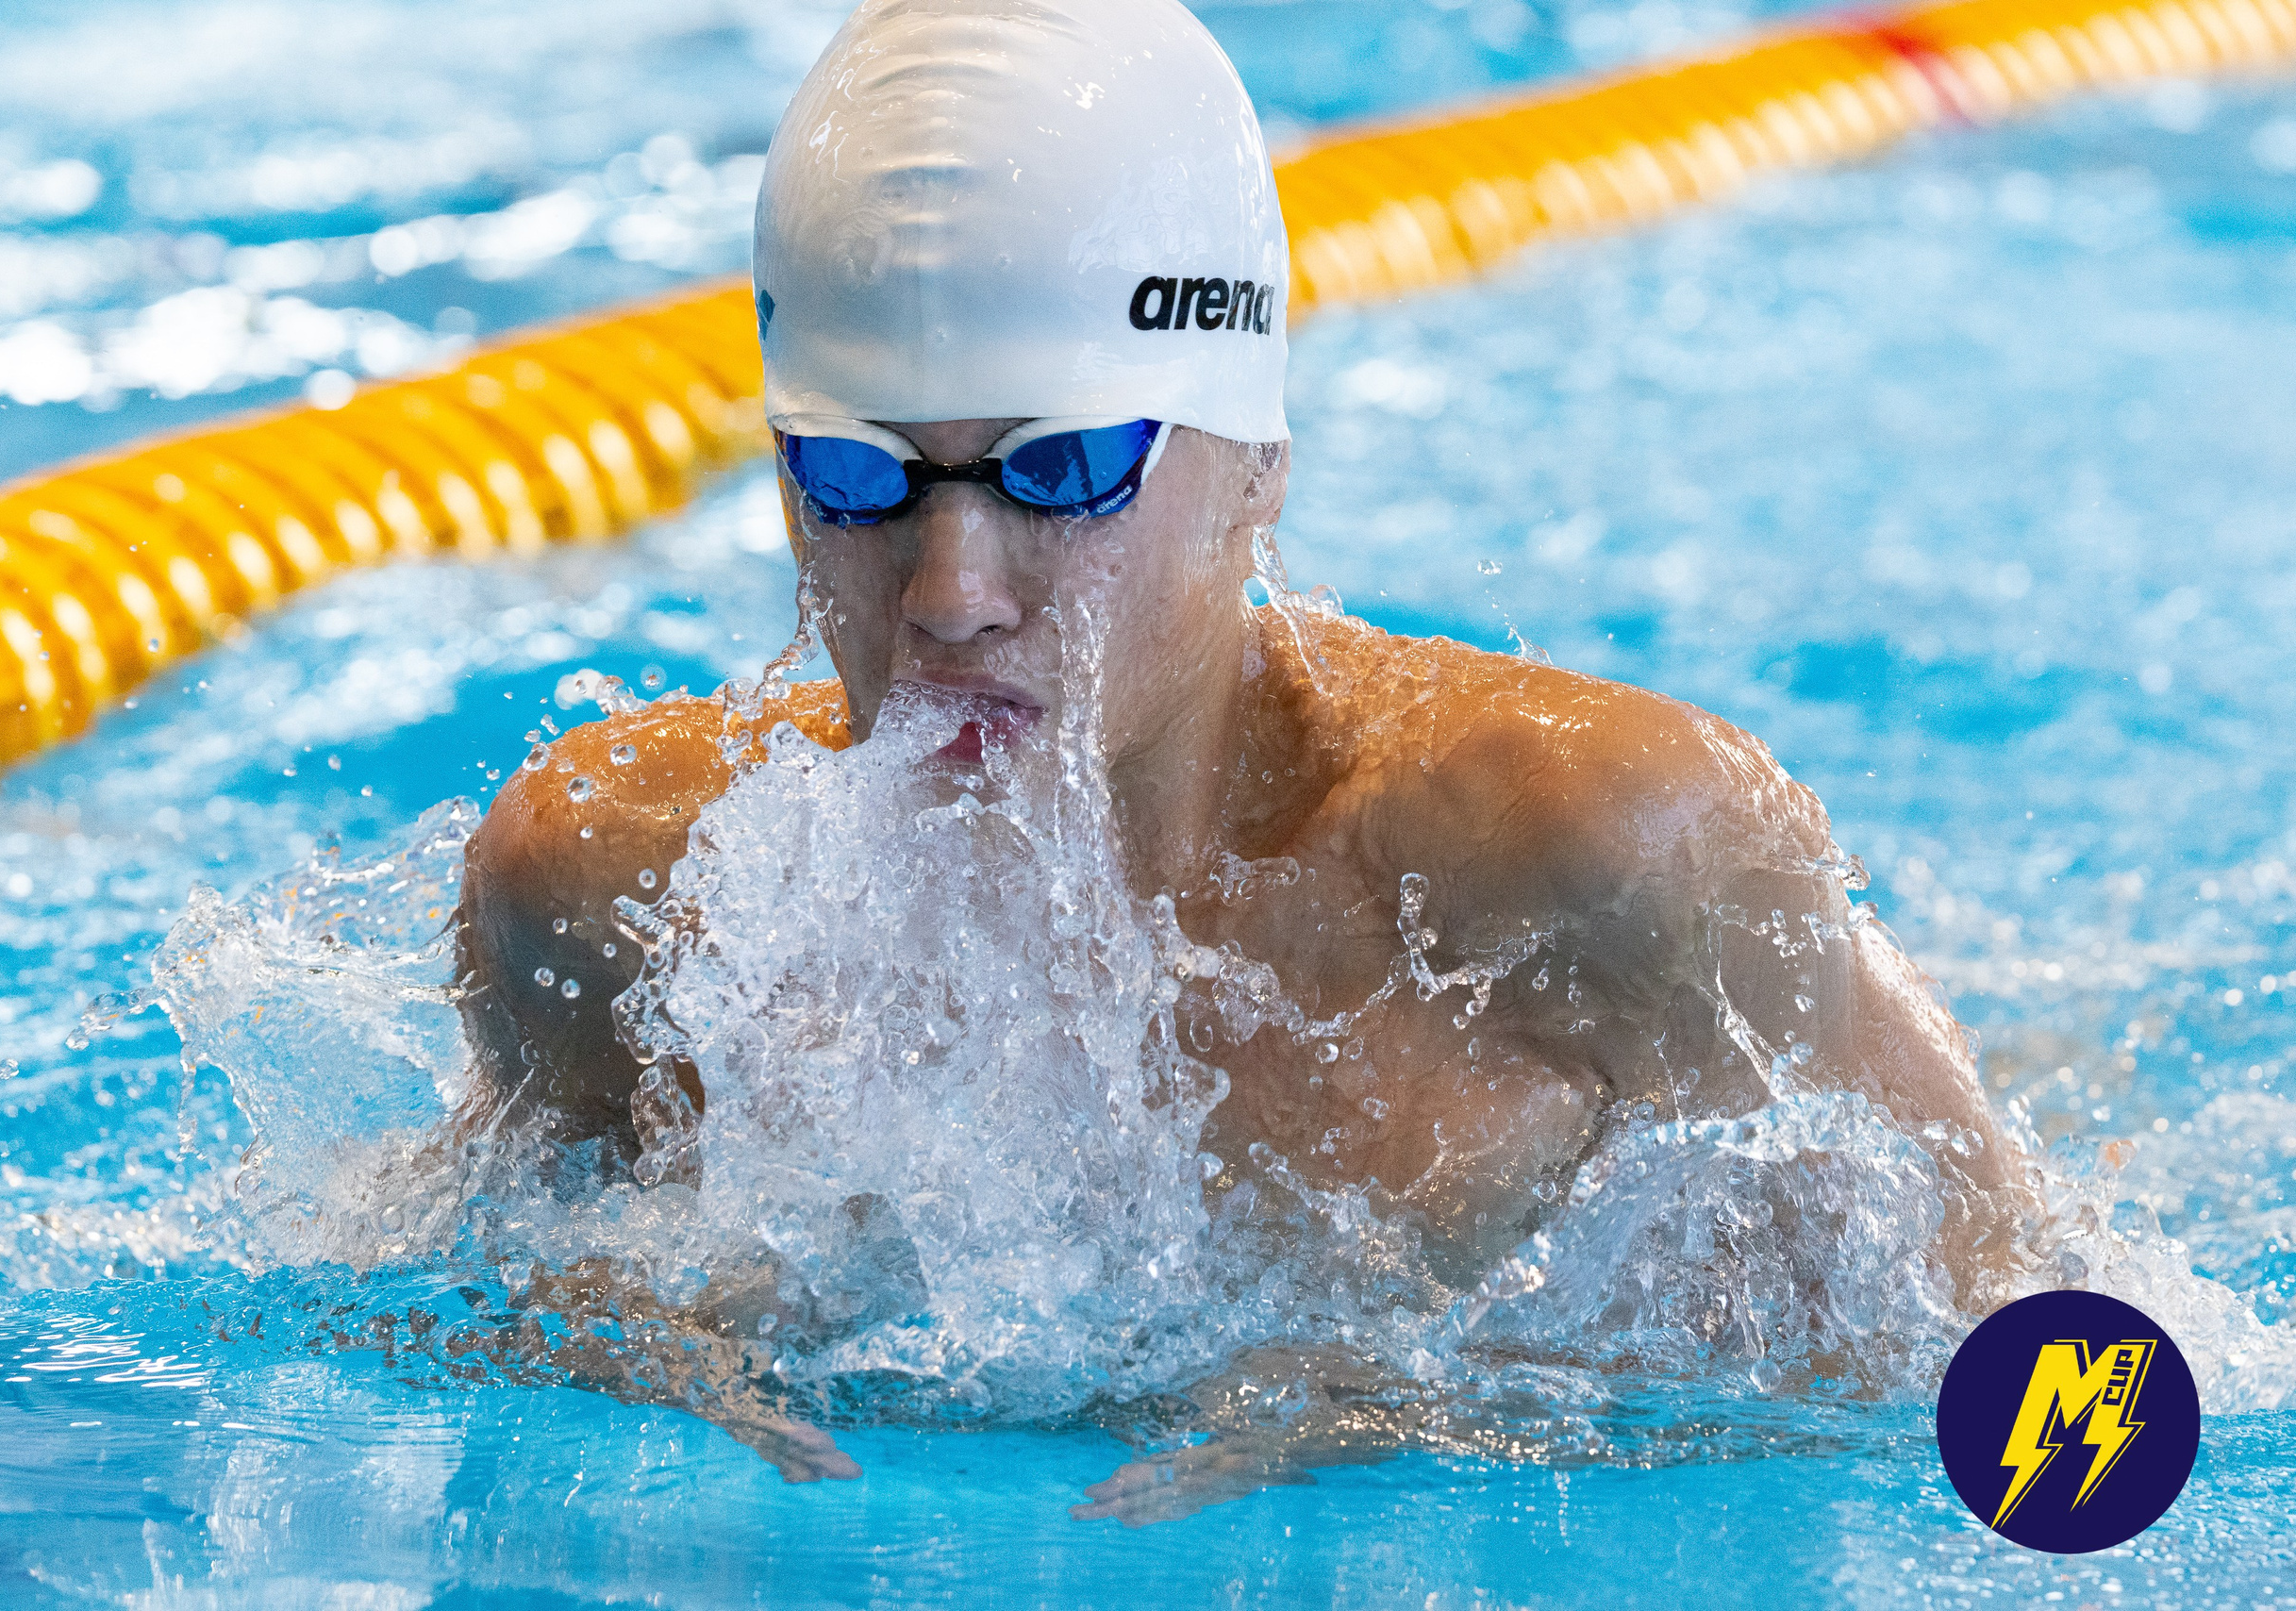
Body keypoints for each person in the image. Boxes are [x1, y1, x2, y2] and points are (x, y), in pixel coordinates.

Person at [453, 0, 2027, 1515]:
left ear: (1256, 466)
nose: (952, 594)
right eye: (858, 477)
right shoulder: (611, 901)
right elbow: (433, 1279)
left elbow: (2061, 1388)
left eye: (1065, 469)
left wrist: (1465, 1413)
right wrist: (593, 1335)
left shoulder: (1599, 862)